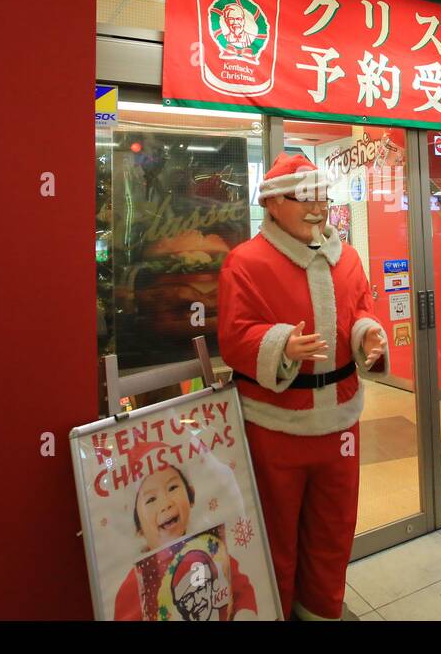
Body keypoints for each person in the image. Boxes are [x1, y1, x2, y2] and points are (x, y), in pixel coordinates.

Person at [218, 152, 388, 621]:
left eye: (323, 197)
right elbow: (233, 336)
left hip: (341, 422)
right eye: (304, 198)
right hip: (274, 425)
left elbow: (362, 310)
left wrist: (368, 334)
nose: (317, 208)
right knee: (275, 533)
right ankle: (275, 610)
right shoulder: (244, 263)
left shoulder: (348, 258)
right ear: (272, 204)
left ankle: (321, 608)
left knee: (333, 529)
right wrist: (280, 345)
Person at [113, 448, 258, 620]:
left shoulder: (211, 550)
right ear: (138, 527)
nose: (166, 503)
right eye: (151, 499)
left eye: (172, 487)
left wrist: (244, 613)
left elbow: (240, 587)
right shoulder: (135, 584)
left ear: (191, 496)